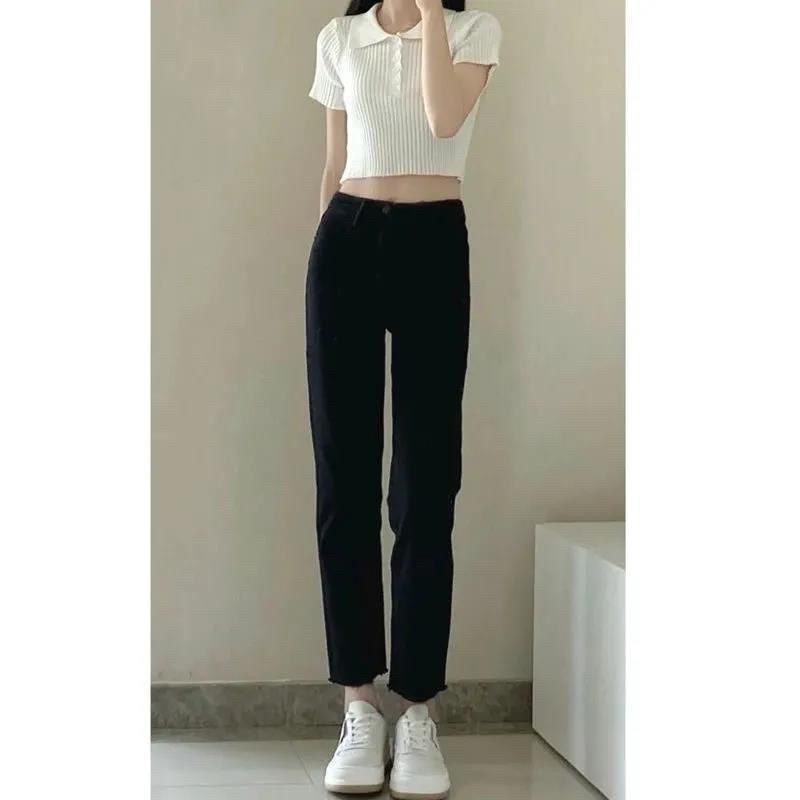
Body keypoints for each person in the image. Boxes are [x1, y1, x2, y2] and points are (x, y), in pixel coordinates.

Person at [306, 1, 501, 796]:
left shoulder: (473, 31)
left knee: (426, 482)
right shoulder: (338, 38)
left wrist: (427, 18)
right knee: (343, 480)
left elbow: (442, 116)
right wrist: (321, 262)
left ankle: (417, 708)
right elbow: (335, 160)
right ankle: (359, 705)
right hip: (345, 244)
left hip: (433, 243)